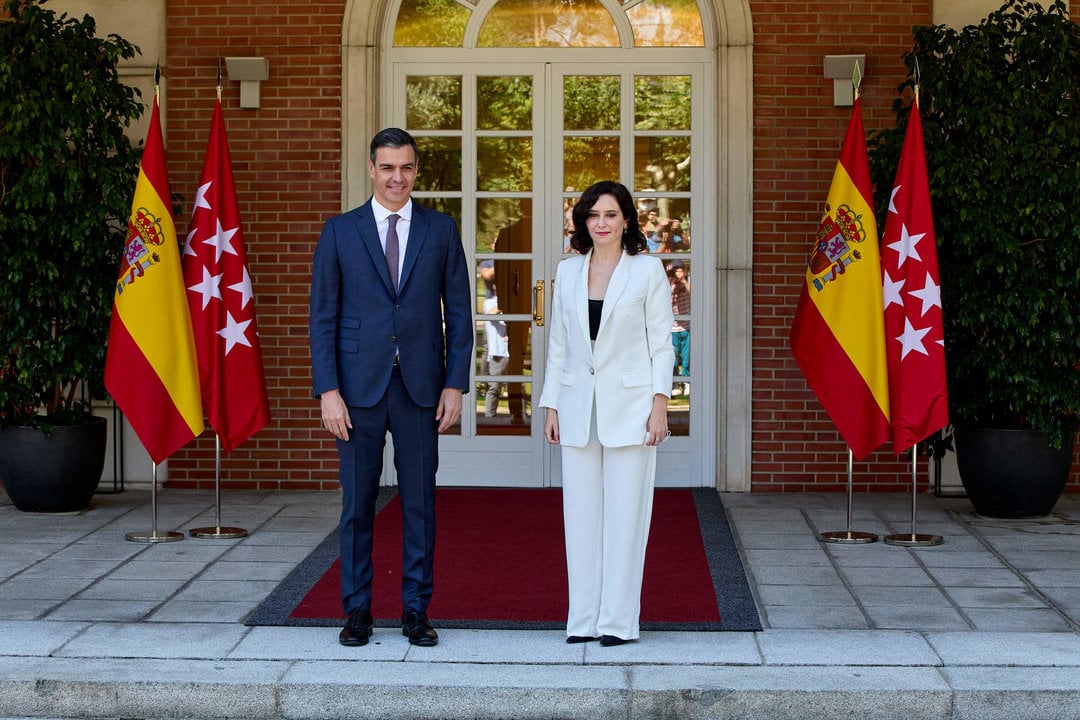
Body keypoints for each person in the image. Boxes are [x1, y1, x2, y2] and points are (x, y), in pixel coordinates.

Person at [309, 127, 473, 648]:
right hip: (356, 392)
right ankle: (357, 611)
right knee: (357, 505)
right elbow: (323, 318)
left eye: (405, 167)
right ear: (371, 169)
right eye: (387, 168)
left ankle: (415, 611)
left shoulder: (441, 230)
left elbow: (461, 314)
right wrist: (327, 391)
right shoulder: (339, 231)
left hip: (421, 389)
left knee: (419, 503)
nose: (396, 177)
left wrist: (455, 384)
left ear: (416, 171)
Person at [538, 180, 675, 647]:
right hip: (577, 408)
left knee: (625, 517)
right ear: (582, 221)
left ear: (627, 220)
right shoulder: (569, 271)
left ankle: (617, 622)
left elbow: (662, 344)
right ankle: (583, 620)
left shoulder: (647, 271)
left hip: (633, 409)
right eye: (593, 214)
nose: (601, 223)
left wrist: (661, 406)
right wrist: (551, 404)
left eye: (611, 214)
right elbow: (559, 345)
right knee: (579, 519)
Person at [482, 295, 509, 417]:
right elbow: (491, 314)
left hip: (514, 350)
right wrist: (505, 305)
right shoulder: (489, 302)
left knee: (518, 387)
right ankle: (489, 417)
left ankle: (520, 417)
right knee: (494, 387)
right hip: (498, 352)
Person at [669, 260, 690, 395]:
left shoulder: (687, 282)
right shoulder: (670, 285)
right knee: (674, 357)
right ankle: (675, 383)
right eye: (675, 271)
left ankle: (687, 381)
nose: (678, 274)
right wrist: (672, 283)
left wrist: (683, 281)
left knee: (687, 357)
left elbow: (692, 293)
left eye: (680, 271)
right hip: (673, 327)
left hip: (686, 326)